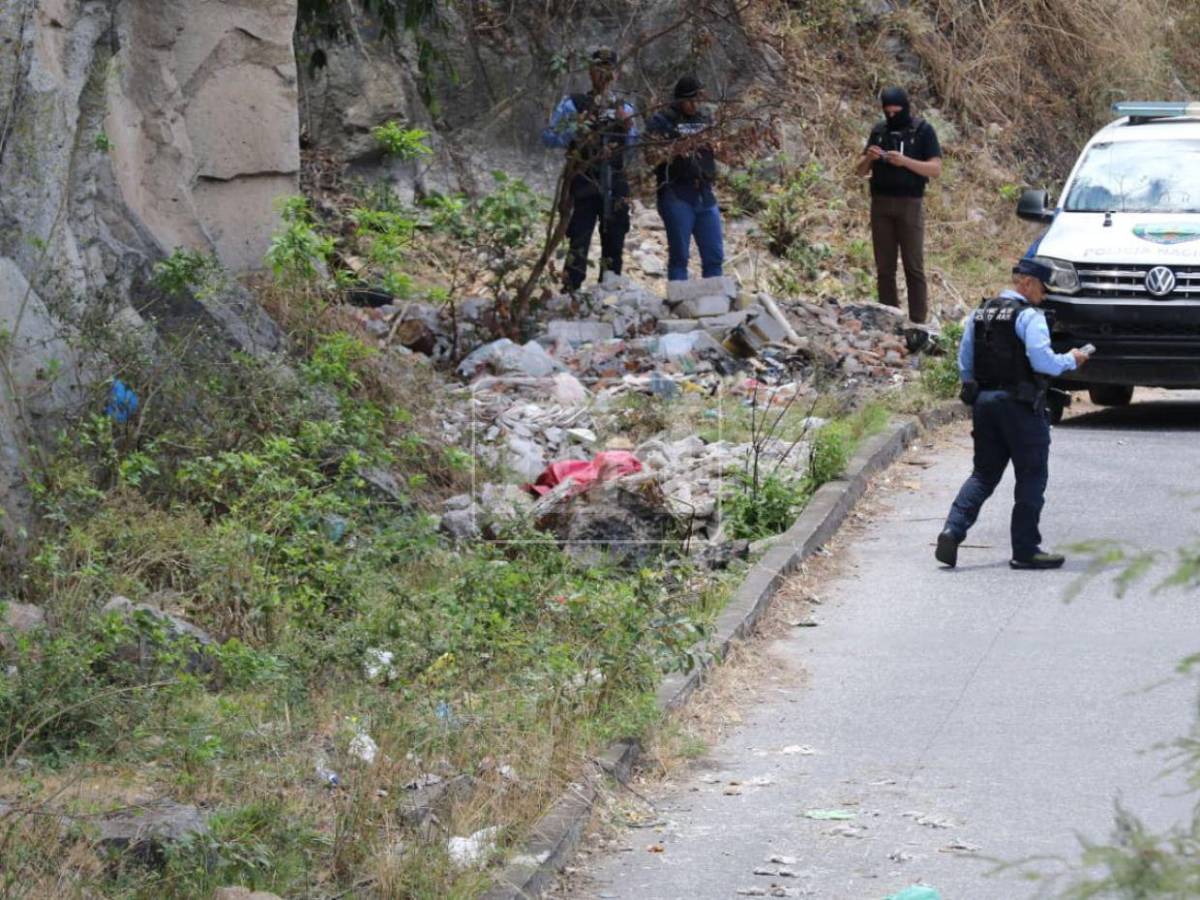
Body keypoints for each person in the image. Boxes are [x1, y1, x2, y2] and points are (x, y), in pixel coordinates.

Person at [935, 258, 1090, 571]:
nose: (1045, 297)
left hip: (985, 404)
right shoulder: (1029, 317)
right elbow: (1043, 362)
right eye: (1044, 289)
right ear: (1028, 283)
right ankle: (1025, 549)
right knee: (1031, 476)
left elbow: (965, 363)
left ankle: (953, 529)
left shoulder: (980, 312)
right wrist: (1072, 360)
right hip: (1020, 407)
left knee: (983, 474)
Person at [542, 47, 638, 292]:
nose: (604, 75)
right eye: (599, 69)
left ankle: (609, 293)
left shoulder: (624, 107)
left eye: (609, 70)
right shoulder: (573, 104)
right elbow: (551, 137)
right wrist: (577, 126)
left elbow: (635, 149)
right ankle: (570, 293)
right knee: (579, 239)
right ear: (590, 72)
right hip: (584, 179)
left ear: (616, 74)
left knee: (615, 239)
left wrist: (627, 127)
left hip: (615, 181)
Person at [854, 86, 942, 324]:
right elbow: (859, 171)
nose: (892, 116)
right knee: (884, 266)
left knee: (913, 266)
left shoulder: (922, 131)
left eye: (897, 112)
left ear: (906, 107)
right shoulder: (879, 130)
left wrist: (904, 162)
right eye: (887, 112)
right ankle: (888, 317)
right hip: (880, 203)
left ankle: (917, 321)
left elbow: (935, 169)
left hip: (910, 204)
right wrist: (870, 158)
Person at [645, 75, 724, 282]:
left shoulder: (705, 118)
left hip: (704, 193)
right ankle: (678, 301)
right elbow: (649, 156)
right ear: (680, 99)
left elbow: (719, 149)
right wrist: (676, 148)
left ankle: (715, 302)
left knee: (714, 255)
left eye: (699, 99)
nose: (695, 105)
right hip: (676, 193)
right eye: (691, 100)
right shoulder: (661, 120)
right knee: (680, 256)